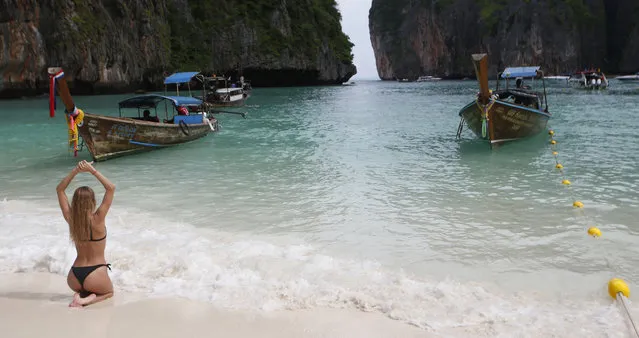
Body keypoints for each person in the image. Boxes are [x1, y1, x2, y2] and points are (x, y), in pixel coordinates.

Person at [56, 160, 115, 307]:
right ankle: (85, 300)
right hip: (95, 274)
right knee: (109, 293)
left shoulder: (71, 219)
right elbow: (111, 188)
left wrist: (76, 171)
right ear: (93, 201)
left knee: (87, 289)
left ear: (74, 202)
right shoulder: (98, 218)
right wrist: (92, 170)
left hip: (74, 277)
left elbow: (60, 189)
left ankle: (80, 293)